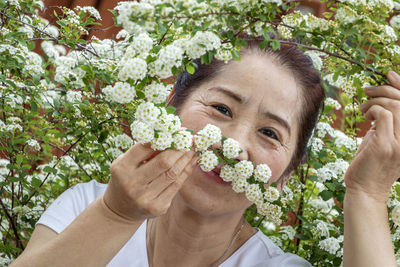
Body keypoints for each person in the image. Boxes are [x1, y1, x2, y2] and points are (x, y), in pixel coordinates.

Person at [11, 39, 399, 267]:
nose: (235, 145)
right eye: (221, 109)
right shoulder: (85, 206)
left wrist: (368, 194)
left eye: (269, 132)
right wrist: (116, 214)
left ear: (285, 175)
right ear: (171, 108)